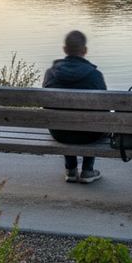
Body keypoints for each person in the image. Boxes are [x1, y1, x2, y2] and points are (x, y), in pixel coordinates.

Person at [42, 30, 105, 184]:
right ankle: (87, 170)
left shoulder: (51, 73)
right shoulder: (94, 75)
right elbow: (103, 110)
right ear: (84, 51)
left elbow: (47, 107)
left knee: (63, 119)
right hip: (90, 135)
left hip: (59, 133)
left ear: (64, 50)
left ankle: (71, 169)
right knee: (95, 120)